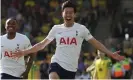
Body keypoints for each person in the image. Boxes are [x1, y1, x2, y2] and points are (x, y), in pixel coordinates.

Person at [12, 0, 124, 79]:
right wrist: (24, 52)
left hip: (71, 68)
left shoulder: (81, 29)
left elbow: (96, 43)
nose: (68, 14)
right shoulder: (56, 29)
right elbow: (41, 45)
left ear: (74, 14)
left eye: (71, 12)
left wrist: (110, 54)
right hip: (57, 63)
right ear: (62, 14)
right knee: (53, 76)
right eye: (66, 12)